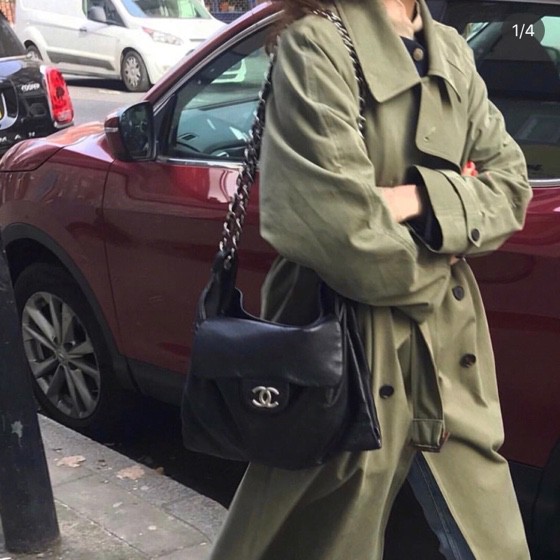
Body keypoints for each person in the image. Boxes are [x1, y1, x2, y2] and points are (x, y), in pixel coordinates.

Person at [209, 0, 533, 558]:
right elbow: (339, 229)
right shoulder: (316, 44)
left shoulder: (451, 50)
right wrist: (450, 237)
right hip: (342, 348)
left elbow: (510, 188)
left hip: (448, 356)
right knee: (322, 533)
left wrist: (415, 197)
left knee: (488, 536)